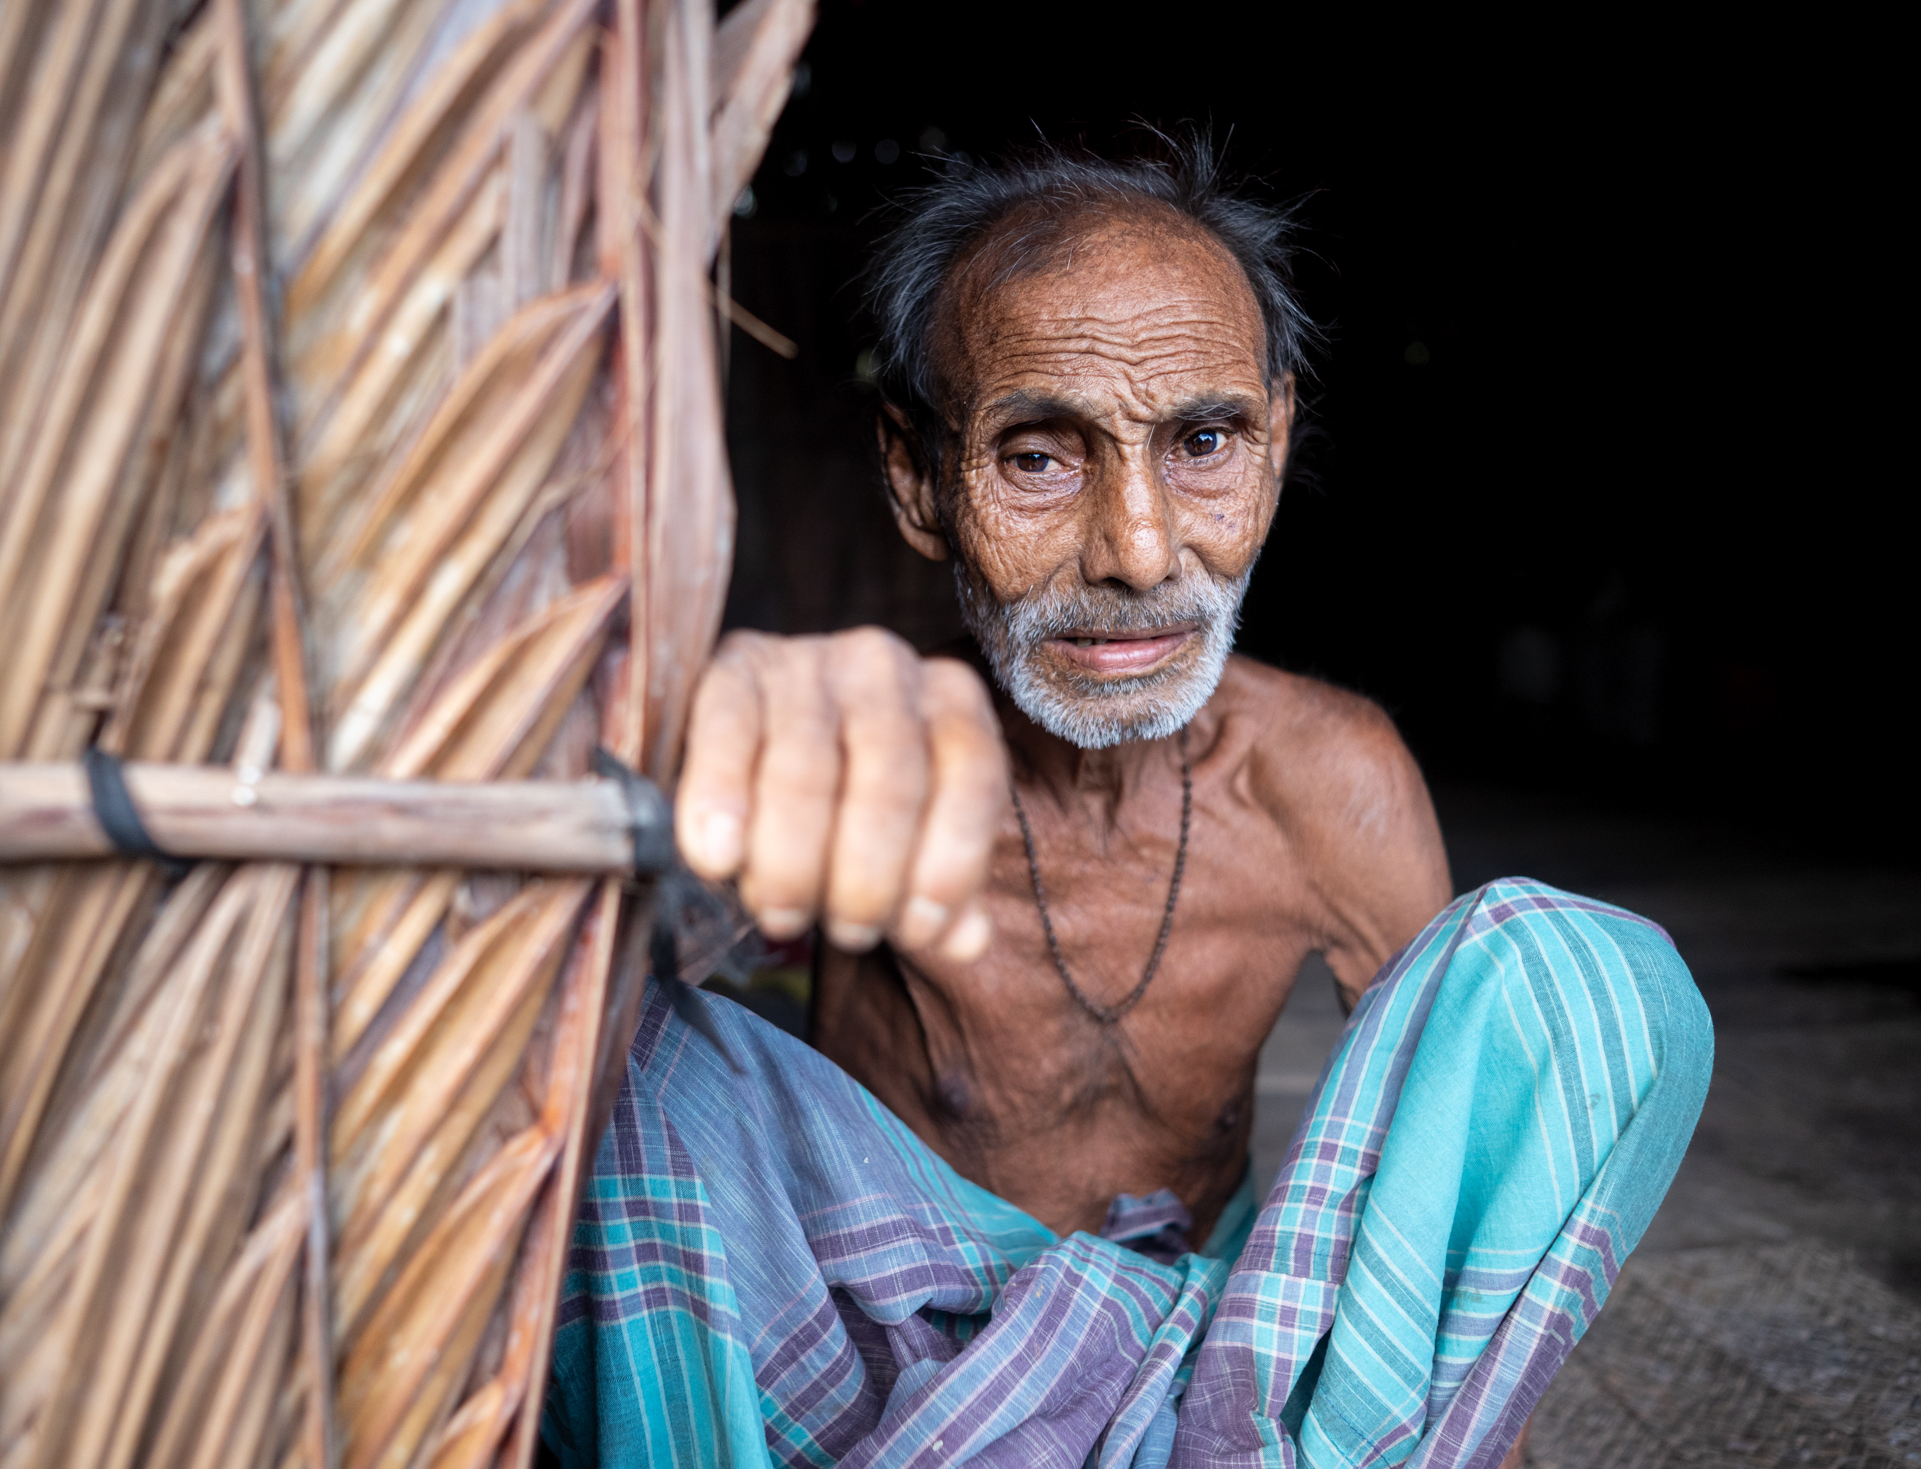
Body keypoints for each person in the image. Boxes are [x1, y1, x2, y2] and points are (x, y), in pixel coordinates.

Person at [546, 137, 1710, 1468]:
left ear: (1275, 443)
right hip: (892, 1365)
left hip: (1203, 1376)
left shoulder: (1330, 779)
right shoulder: (876, 754)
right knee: (614, 1040)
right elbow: (627, 947)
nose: (1139, 552)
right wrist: (694, 773)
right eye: (1040, 456)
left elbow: (1437, 1184)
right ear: (920, 476)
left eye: (1203, 440)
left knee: (1574, 975)